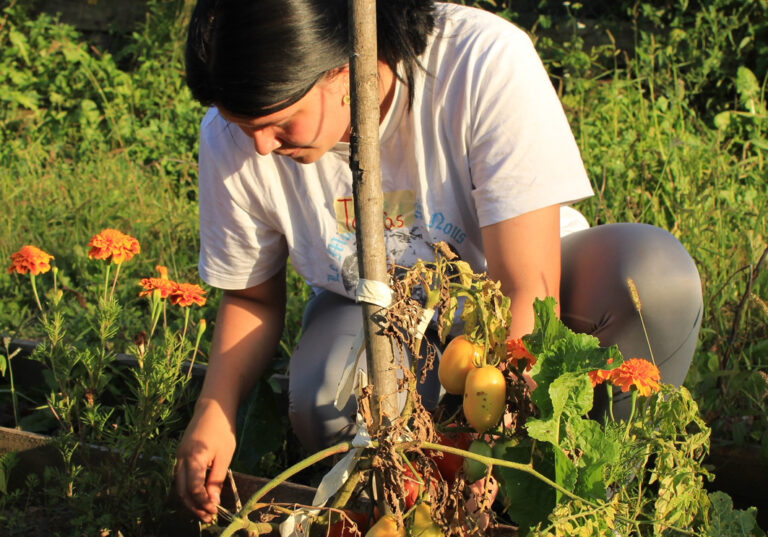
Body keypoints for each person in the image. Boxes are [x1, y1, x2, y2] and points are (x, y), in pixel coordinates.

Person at [174, 0, 703, 523]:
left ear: (342, 65)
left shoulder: (480, 62)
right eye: (245, 128)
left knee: (653, 281)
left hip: (517, 296)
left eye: (280, 122)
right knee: (324, 396)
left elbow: (526, 288)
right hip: (384, 320)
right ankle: (410, 502)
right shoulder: (234, 137)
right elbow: (251, 297)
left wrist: (492, 453)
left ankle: (589, 501)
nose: (262, 147)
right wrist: (213, 411)